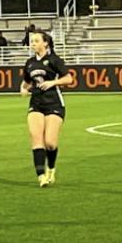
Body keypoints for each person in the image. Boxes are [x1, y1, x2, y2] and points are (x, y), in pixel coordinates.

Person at [21, 30, 75, 186]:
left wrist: (52, 83)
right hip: (36, 103)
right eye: (32, 41)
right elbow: (26, 82)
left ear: (45, 43)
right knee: (36, 137)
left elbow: (69, 78)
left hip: (54, 103)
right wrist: (24, 89)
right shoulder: (30, 62)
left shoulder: (54, 60)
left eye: (36, 41)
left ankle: (51, 168)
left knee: (50, 142)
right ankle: (41, 176)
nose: (33, 43)